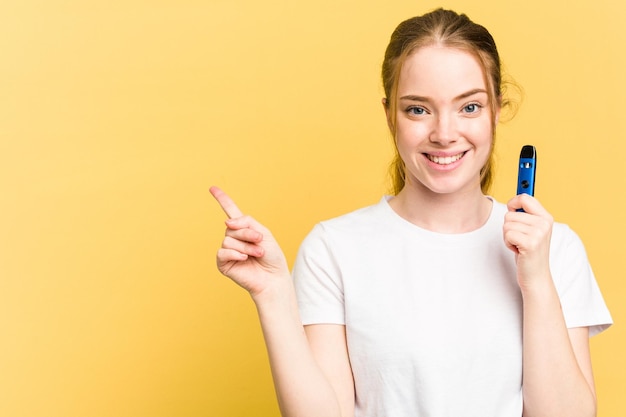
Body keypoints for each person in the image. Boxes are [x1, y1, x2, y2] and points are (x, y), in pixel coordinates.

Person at [210, 8, 612, 417]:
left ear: (496, 110)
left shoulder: (555, 249)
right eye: (418, 109)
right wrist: (274, 295)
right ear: (390, 116)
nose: (444, 133)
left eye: (469, 107)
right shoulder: (334, 249)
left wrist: (537, 282)